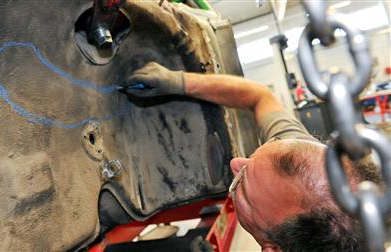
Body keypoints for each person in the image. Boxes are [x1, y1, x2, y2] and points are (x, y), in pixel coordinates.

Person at [122, 62, 383, 252]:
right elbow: (261, 96)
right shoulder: (295, 155)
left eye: (244, 189)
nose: (236, 163)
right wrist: (178, 81)